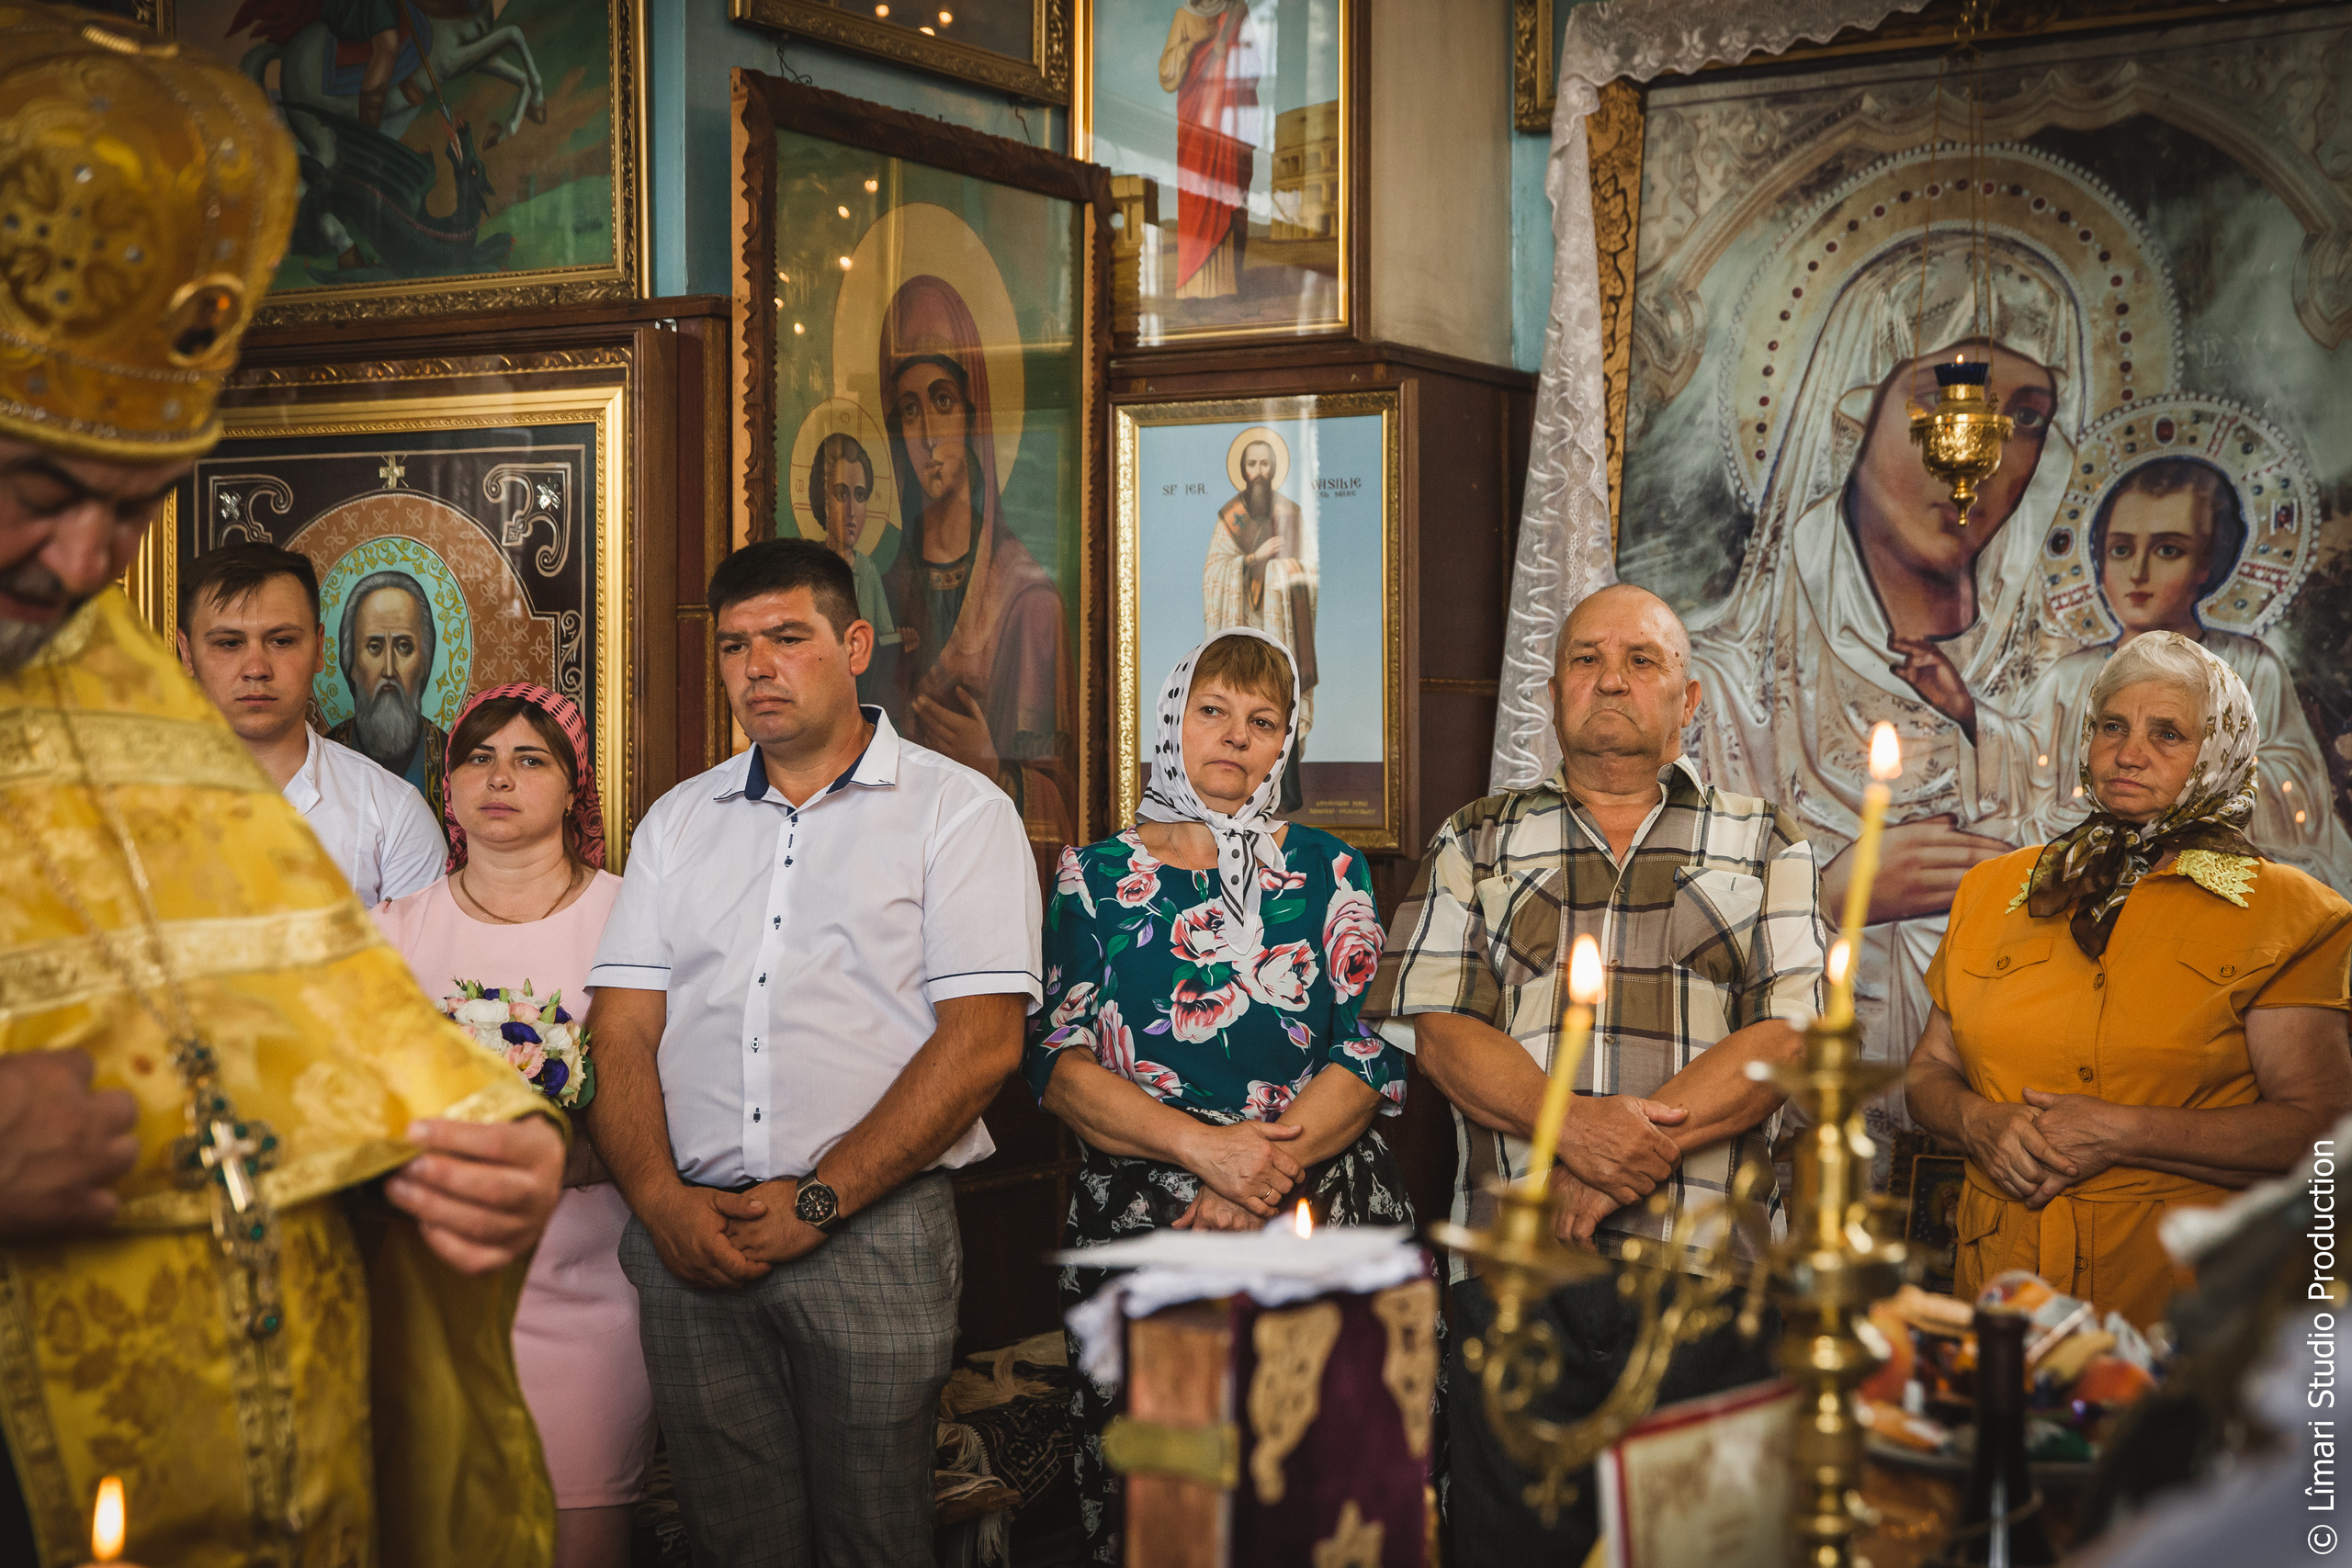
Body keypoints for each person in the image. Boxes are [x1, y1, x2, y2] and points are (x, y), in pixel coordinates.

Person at [0, 12, 564, 1564]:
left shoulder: (121, 705)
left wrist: (465, 1155)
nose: (78, 566)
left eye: (129, 514)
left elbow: (305, 1048)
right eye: (40, 495)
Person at [584, 537, 1041, 1566]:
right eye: (736, 645)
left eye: (787, 639)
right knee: (730, 1542)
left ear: (854, 644)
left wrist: (821, 1200)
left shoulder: (956, 813)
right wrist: (659, 1205)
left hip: (870, 1235)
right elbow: (619, 1028)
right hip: (690, 1233)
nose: (756, 668)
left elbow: (981, 1045)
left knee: (872, 1540)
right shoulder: (677, 822)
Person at [1364, 584, 1825, 1567]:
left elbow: (1788, 1036)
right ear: (1552, 689)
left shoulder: (1765, 840)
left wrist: (1626, 1149)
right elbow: (1438, 1028)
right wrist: (1574, 1128)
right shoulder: (1473, 838)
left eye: (1640, 660)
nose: (1610, 677)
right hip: (1517, 1280)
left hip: (1709, 1279)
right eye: (1585, 657)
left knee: (1707, 1554)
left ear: (1689, 700)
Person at [1688, 231, 2091, 1151]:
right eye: (1940, 401)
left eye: (2023, 416)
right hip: (1785, 1159)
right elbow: (1645, 944)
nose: (1975, 456)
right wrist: (1827, 895)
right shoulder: (1722, 685)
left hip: (2018, 1149)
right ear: (1850, 413)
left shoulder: (2069, 686)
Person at [1028, 628, 1409, 1562]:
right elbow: (1058, 1066)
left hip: (1315, 1207)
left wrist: (1258, 1171)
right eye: (1212, 711)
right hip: (1149, 1222)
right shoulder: (1096, 876)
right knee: (1166, 1504)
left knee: (1319, 1501)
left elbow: (1366, 1053)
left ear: (1286, 743)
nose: (1234, 737)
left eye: (1261, 720)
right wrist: (1207, 1155)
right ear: (1171, 721)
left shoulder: (1329, 871)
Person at [1904, 633, 2352, 1330]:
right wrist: (1976, 1120)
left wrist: (2124, 1133)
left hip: (2182, 1299)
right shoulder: (1995, 889)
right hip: (2001, 1291)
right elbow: (1928, 1070)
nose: (2128, 751)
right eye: (2113, 725)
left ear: (2218, 753)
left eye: (2166, 733)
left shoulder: (2292, 915)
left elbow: (2319, 1134)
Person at [374, 683, 651, 1568]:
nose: (501, 777)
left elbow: (677, 1093)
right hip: (429, 1302)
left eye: (531, 759)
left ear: (575, 788)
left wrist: (570, 1152)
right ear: (446, 785)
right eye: (478, 758)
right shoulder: (393, 932)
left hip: (590, 1300)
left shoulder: (633, 919)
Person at [1986, 458, 2352, 892]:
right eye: (2121, 549)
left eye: (2167, 550)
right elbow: (2025, 765)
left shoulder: (2251, 667)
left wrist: (2202, 778)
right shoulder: (2071, 675)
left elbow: (2297, 784)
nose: (2138, 573)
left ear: (2207, 564)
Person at [876, 273, 1076, 864]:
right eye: (910, 411)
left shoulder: (1029, 602)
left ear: (973, 414)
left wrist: (993, 765)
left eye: (942, 402)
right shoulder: (881, 591)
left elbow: (1062, 809)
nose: (929, 436)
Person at [177, 541, 447, 905]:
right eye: (229, 643)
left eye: (282, 640)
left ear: (320, 648)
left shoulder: (393, 815)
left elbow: (424, 960)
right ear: (187, 652)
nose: (256, 668)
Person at [1204, 434, 1317, 814]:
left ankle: (1285, 794)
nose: (1258, 472)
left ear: (1274, 469)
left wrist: (1278, 568)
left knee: (1279, 708)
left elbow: (1307, 573)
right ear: (1242, 469)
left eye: (1264, 464)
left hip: (1280, 630)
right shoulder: (1230, 516)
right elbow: (1214, 572)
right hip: (1242, 630)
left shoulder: (1291, 513)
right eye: (1251, 465)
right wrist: (1253, 560)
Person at [326, 569, 451, 819]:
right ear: (351, 663)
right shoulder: (324, 759)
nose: (389, 669)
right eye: (374, 647)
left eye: (404, 647)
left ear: (425, 663)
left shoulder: (452, 760)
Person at [1159, 0, 1261, 298]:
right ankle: (1193, 286)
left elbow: (1255, 66)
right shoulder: (1184, 17)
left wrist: (1228, 56)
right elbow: (1166, 72)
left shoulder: (1237, 11)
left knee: (1228, 193)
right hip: (1196, 126)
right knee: (1197, 196)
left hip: (1229, 121)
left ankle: (1226, 287)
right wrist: (1192, 45)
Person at [810, 428, 909, 711]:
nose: (852, 510)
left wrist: (905, 639)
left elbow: (885, 641)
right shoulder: (808, 570)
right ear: (822, 498)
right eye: (841, 494)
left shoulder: (868, 572)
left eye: (860, 495)